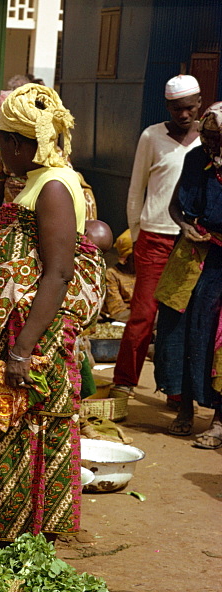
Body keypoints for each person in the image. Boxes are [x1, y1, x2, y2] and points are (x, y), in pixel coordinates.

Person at [0, 84, 104, 541]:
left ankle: (27, 534)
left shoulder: (54, 188)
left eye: (2, 142)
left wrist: (21, 350)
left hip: (38, 331)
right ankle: (4, 528)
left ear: (20, 143)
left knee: (29, 424)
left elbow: (57, 274)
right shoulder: (25, 169)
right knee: (6, 423)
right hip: (14, 323)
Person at [112, 74, 201, 395]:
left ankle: (176, 389)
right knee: (143, 314)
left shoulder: (209, 140)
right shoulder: (151, 136)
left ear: (199, 104)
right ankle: (124, 381)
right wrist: (136, 236)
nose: (184, 115)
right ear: (168, 107)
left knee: (180, 319)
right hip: (153, 237)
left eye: (189, 108)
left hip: (193, 243)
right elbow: (136, 191)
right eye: (177, 109)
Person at [0, 84, 98, 274]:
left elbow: (57, 274)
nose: (1, 156)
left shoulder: (53, 186)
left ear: (14, 143)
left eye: (2, 147)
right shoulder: (38, 178)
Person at [156, 102, 222, 449]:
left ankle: (218, 420)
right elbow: (174, 206)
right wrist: (184, 226)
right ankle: (184, 409)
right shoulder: (196, 160)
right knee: (180, 328)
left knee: (217, 338)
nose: (212, 146)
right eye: (208, 138)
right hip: (193, 257)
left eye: (218, 140)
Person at [101, 230, 135, 322]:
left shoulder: (144, 274)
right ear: (127, 258)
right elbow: (117, 311)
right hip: (120, 321)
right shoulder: (112, 274)